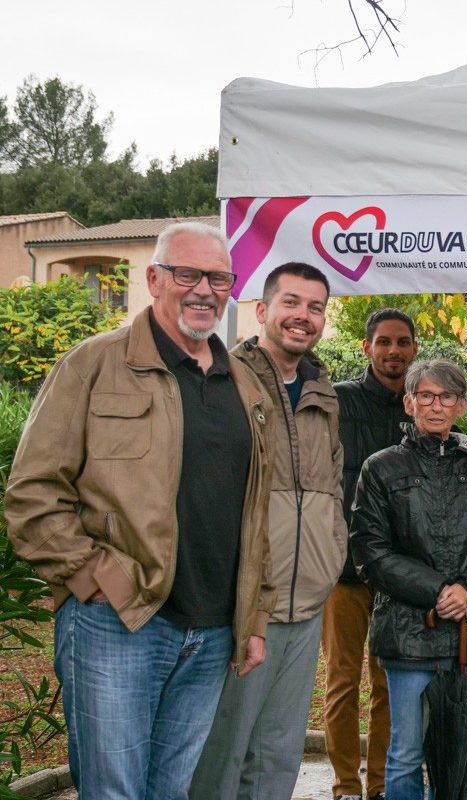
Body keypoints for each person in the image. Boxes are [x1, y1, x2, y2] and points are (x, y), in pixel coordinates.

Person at [5, 222, 274, 800]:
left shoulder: (246, 387)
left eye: (219, 277)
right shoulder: (93, 366)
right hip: (117, 624)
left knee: (169, 792)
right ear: (153, 279)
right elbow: (31, 494)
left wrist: (252, 616)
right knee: (114, 792)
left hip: (210, 631)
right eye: (187, 274)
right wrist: (96, 579)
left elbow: (254, 513)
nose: (204, 289)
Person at [191, 262, 346, 800]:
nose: (303, 316)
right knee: (223, 751)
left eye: (316, 307)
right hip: (242, 604)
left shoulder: (323, 392)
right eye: (292, 303)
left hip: (304, 603)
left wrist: (329, 561)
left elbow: (330, 494)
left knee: (279, 753)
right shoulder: (224, 380)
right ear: (262, 310)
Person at [349, 358, 467, 800]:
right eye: (426, 395)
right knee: (405, 752)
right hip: (409, 634)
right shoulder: (380, 469)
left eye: (446, 397)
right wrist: (438, 591)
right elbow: (371, 551)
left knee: (465, 749)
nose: (436, 405)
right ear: (409, 403)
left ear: (460, 405)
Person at [326, 307, 419, 800]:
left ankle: (380, 785)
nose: (393, 351)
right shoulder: (338, 402)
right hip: (342, 571)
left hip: (397, 577)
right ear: (367, 348)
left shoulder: (420, 409)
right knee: (342, 684)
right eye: (384, 342)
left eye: (402, 342)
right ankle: (344, 785)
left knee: (388, 685)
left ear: (414, 350)